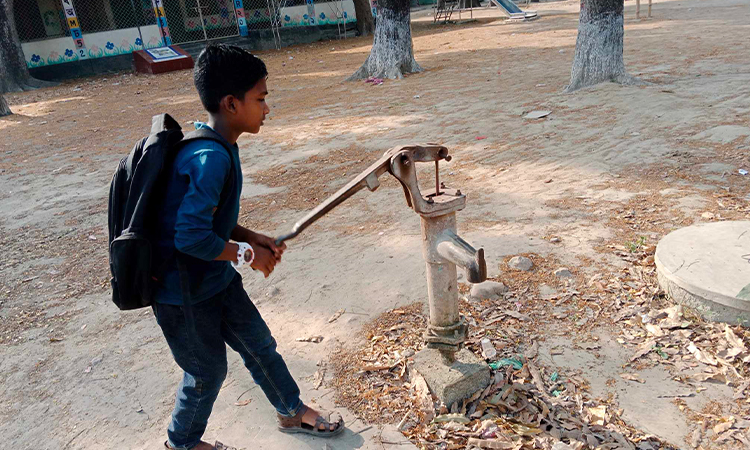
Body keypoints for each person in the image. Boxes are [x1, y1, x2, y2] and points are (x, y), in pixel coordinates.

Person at [153, 43, 344, 450]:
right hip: (182, 293)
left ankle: (290, 409)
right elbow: (189, 237)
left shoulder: (217, 145)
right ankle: (181, 443)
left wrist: (247, 236)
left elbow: (207, 218)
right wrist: (246, 255)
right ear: (231, 103)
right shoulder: (210, 158)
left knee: (260, 345)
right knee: (206, 372)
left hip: (214, 278)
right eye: (261, 99)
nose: (266, 109)